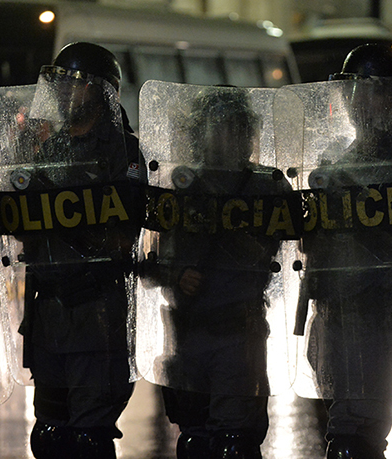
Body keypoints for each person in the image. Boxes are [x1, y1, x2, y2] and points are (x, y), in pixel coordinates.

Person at [290, 44, 392, 459]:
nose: (363, 102)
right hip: (333, 307)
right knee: (347, 429)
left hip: (382, 307)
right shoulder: (334, 158)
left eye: (375, 91)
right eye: (355, 91)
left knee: (356, 431)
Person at [139, 84, 296, 458]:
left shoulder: (267, 185)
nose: (224, 136)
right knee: (194, 441)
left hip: (237, 332)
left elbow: (283, 252)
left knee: (234, 442)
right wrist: (176, 276)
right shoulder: (180, 185)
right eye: (215, 127)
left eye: (233, 127)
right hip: (187, 332)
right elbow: (148, 263)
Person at [14, 42, 145, 459]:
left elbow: (129, 231)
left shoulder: (122, 152)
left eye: (75, 85)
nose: (64, 95)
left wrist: (87, 231)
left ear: (101, 91)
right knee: (50, 436)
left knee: (88, 437)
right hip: (48, 307)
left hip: (94, 308)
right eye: (60, 86)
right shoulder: (49, 150)